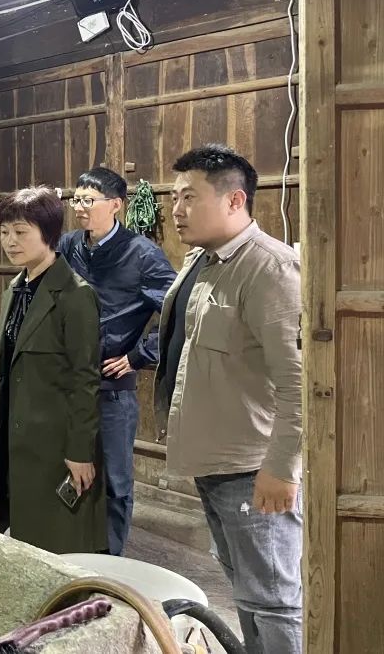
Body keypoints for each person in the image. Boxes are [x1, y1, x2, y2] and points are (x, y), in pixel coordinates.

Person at [156, 144, 302, 654]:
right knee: (245, 587)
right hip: (214, 460)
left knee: (275, 599)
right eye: (175, 197)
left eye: (189, 197)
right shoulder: (204, 261)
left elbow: (299, 382)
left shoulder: (270, 268)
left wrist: (281, 467)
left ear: (235, 200)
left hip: (252, 466)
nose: (176, 209)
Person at [58, 167, 176, 555]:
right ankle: (72, 555)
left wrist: (140, 355)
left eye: (88, 200)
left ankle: (111, 562)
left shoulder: (142, 254)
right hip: (67, 383)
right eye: (76, 199)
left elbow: (178, 313)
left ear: (116, 205)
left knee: (115, 482)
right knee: (68, 469)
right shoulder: (69, 245)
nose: (80, 207)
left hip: (112, 389)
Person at [0, 186, 106, 553]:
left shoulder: (75, 294)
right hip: (19, 439)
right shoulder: (15, 289)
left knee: (59, 541)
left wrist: (80, 451)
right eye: (5, 231)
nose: (10, 241)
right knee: (24, 534)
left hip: (56, 444)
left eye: (20, 232)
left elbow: (85, 379)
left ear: (49, 234)